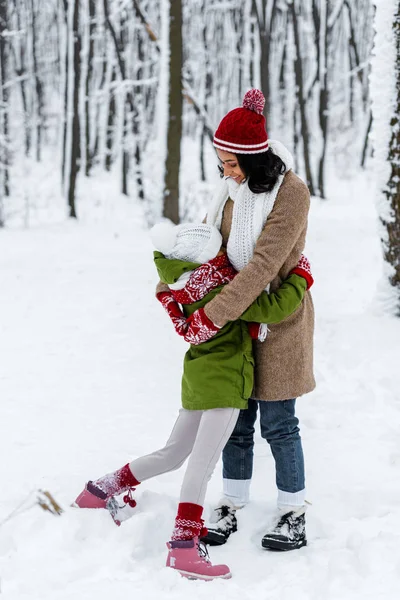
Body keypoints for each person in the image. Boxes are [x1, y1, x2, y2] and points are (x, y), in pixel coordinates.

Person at [74, 220, 313, 580]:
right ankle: (184, 546)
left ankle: (100, 489)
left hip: (197, 378)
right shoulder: (223, 288)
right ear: (207, 256)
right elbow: (274, 308)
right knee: (200, 466)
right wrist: (301, 277)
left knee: (172, 453)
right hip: (225, 384)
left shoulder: (178, 281)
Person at [160, 88, 316, 551]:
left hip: (277, 320)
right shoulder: (229, 191)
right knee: (235, 420)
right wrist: (175, 285)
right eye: (221, 163)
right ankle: (231, 500)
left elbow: (263, 266)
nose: (225, 173)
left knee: (279, 422)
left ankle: (292, 512)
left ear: (255, 159)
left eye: (231, 163)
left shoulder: (292, 194)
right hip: (233, 323)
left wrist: (209, 313)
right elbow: (204, 244)